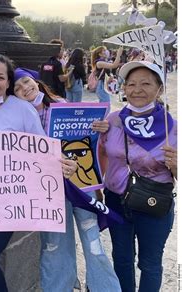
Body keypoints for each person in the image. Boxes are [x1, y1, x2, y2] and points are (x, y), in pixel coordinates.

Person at [0, 52, 76, 292]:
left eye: (0, 77)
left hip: (10, 201)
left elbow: (41, 147)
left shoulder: (21, 109)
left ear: (8, 82)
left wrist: (65, 163)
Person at [11, 68, 120, 292]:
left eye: (26, 82)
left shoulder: (62, 104)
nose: (25, 89)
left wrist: (101, 128)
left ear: (35, 80)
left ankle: (104, 288)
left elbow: (89, 141)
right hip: (48, 191)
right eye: (18, 88)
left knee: (94, 244)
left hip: (80, 185)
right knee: (55, 246)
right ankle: (59, 287)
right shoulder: (16, 116)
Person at [99, 61, 176, 292]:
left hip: (154, 204)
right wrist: (99, 185)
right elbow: (102, 152)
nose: (137, 89)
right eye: (131, 84)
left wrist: (176, 165)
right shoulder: (112, 121)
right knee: (121, 260)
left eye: (145, 83)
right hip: (116, 201)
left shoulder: (173, 127)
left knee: (150, 264)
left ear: (159, 88)